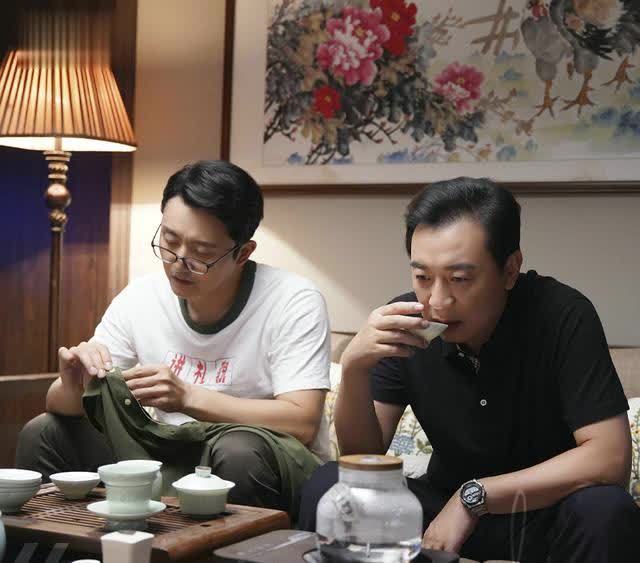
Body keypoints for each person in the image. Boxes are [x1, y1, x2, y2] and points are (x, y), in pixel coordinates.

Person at [298, 177, 639, 562]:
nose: (438, 301)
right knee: (331, 484)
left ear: (510, 269)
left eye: (459, 279)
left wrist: (474, 497)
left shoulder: (562, 315)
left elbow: (609, 459)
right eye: (422, 277)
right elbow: (363, 460)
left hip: (543, 513)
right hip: (438, 511)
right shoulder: (406, 324)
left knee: (605, 510)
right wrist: (355, 368)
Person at [17, 160, 331, 515]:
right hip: (165, 450)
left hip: (258, 456)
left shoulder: (292, 300)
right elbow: (61, 404)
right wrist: (73, 384)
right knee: (44, 432)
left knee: (238, 451)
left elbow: (302, 421)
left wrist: (188, 397)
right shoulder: (142, 297)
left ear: (243, 253)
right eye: (169, 240)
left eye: (202, 253)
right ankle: (61, 543)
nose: (179, 261)